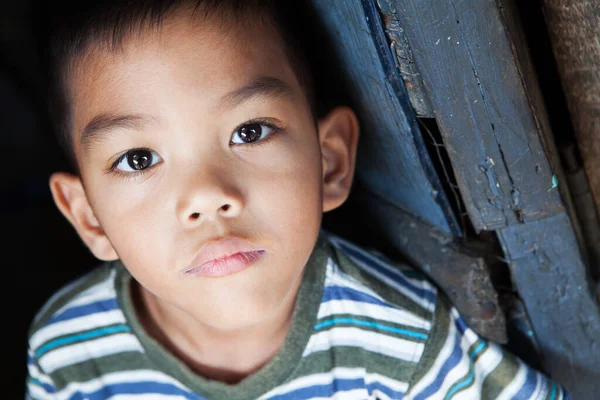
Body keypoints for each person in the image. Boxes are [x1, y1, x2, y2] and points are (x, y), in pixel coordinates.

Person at [26, 0, 568, 398]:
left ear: (328, 163)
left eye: (250, 130)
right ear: (89, 217)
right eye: (139, 159)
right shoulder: (68, 353)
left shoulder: (404, 343)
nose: (208, 196)